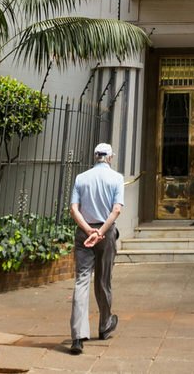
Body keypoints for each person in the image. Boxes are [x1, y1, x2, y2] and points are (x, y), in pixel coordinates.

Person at [68, 141, 124, 355]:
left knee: (81, 281)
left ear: (95, 156)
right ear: (110, 157)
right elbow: (116, 210)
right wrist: (100, 232)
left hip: (84, 233)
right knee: (103, 280)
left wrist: (88, 230)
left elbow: (74, 209)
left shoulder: (81, 178)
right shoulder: (116, 178)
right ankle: (105, 324)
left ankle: (77, 337)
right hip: (105, 232)